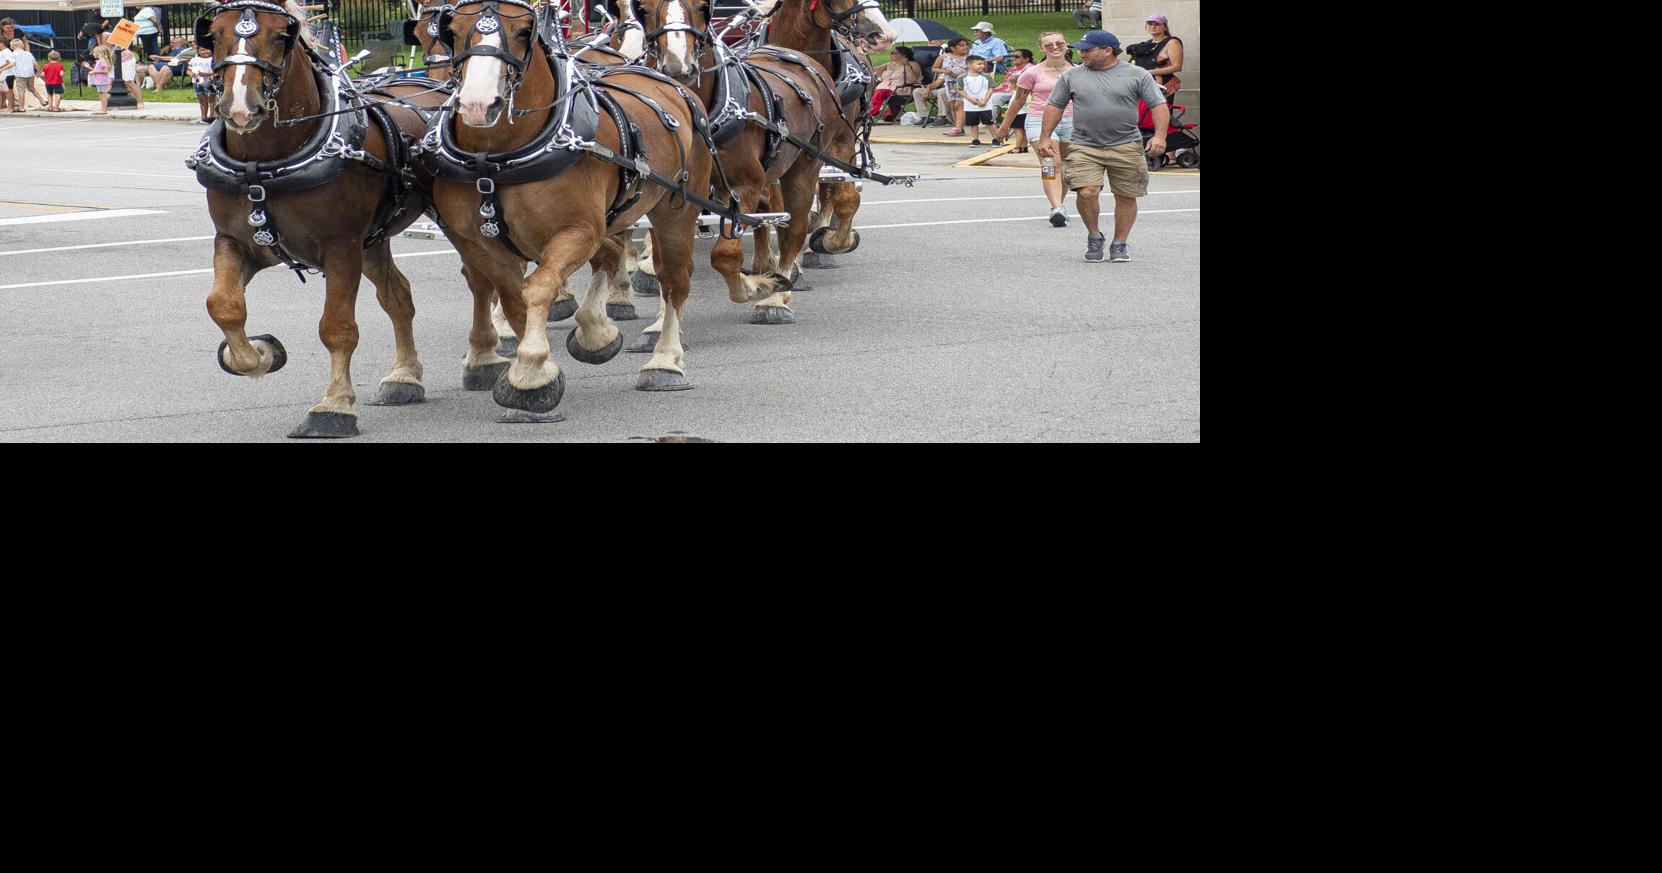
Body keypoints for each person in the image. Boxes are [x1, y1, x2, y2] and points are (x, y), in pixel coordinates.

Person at [1037, 31, 1168, 263]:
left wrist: (1159, 136)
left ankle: (1119, 243)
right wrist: (1045, 137)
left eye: (1087, 50)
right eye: (1080, 49)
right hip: (1084, 144)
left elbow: (1158, 104)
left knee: (1126, 196)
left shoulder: (1137, 74)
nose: (1080, 53)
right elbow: (1055, 106)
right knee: (1086, 192)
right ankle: (1094, 235)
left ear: (1107, 51)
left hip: (1126, 144)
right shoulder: (1072, 76)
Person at [995, 32, 1075, 226]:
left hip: (1071, 120)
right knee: (1050, 163)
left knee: (1064, 167)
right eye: (1049, 45)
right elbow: (1018, 100)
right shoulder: (1032, 73)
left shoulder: (1078, 70)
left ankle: (1060, 206)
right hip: (1040, 121)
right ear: (1041, 48)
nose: (1055, 47)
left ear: (1066, 45)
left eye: (1059, 43)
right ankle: (1055, 207)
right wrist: (1004, 126)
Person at [1127, 14, 1184, 101]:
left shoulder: (1172, 42)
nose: (1153, 27)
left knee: (1161, 114)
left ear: (1165, 27)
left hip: (1163, 86)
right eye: (1150, 24)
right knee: (1144, 114)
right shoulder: (1148, 44)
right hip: (1145, 86)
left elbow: (1177, 67)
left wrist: (1149, 72)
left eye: (1157, 24)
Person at [920, 36, 969, 133]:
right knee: (953, 105)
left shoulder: (968, 57)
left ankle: (959, 127)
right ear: (952, 47)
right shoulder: (944, 56)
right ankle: (958, 127)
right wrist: (944, 71)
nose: (964, 47)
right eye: (961, 46)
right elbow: (935, 68)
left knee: (959, 104)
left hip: (964, 83)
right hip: (950, 82)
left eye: (965, 45)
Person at [987, 47, 1032, 145]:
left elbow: (1020, 86)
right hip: (1010, 90)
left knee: (996, 97)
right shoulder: (1013, 69)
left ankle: (993, 120)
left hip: (1018, 94)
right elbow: (1006, 82)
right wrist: (997, 89)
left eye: (1016, 56)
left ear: (1026, 58)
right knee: (991, 93)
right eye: (1012, 57)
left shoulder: (1029, 69)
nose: (1013, 59)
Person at [869, 46, 921, 122]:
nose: (892, 54)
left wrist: (907, 65)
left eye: (895, 53)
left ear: (904, 55)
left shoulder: (913, 64)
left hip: (900, 91)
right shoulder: (890, 65)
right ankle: (870, 114)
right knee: (869, 91)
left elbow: (913, 79)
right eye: (891, 53)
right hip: (884, 89)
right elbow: (871, 70)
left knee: (879, 93)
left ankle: (871, 115)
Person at [960, 57, 994, 144]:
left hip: (985, 105)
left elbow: (991, 88)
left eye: (983, 64)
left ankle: (996, 138)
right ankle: (975, 139)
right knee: (973, 123)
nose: (982, 66)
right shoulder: (962, 77)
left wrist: (985, 100)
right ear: (969, 65)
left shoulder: (986, 76)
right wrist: (970, 99)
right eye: (979, 64)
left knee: (989, 122)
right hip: (970, 106)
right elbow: (959, 89)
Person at [2, 39, 42, 113]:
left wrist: (2, 69)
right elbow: (35, 64)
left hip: (20, 75)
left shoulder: (13, 54)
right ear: (23, 45)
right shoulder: (28, 53)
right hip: (30, 75)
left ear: (12, 47)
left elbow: (12, 64)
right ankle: (41, 100)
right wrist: (39, 72)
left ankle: (22, 107)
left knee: (21, 91)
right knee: (32, 88)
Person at [189, 46, 215, 123]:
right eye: (202, 50)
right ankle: (203, 117)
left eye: (207, 49)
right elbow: (189, 69)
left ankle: (212, 116)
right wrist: (191, 73)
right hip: (197, 81)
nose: (205, 51)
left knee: (212, 99)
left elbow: (216, 71)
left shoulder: (213, 59)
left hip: (210, 82)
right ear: (198, 51)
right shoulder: (194, 59)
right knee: (202, 99)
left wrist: (204, 74)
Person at [85, 44, 113, 115]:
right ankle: (102, 109)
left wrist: (94, 71)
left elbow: (106, 71)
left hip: (102, 81)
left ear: (99, 53)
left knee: (103, 95)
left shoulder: (102, 61)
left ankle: (104, 110)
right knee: (101, 95)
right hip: (99, 81)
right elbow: (99, 70)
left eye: (94, 52)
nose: (92, 54)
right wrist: (90, 68)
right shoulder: (100, 61)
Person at [116, 41, 144, 108]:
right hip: (116, 58)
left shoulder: (108, 35)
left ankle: (140, 101)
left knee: (129, 82)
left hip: (126, 59)